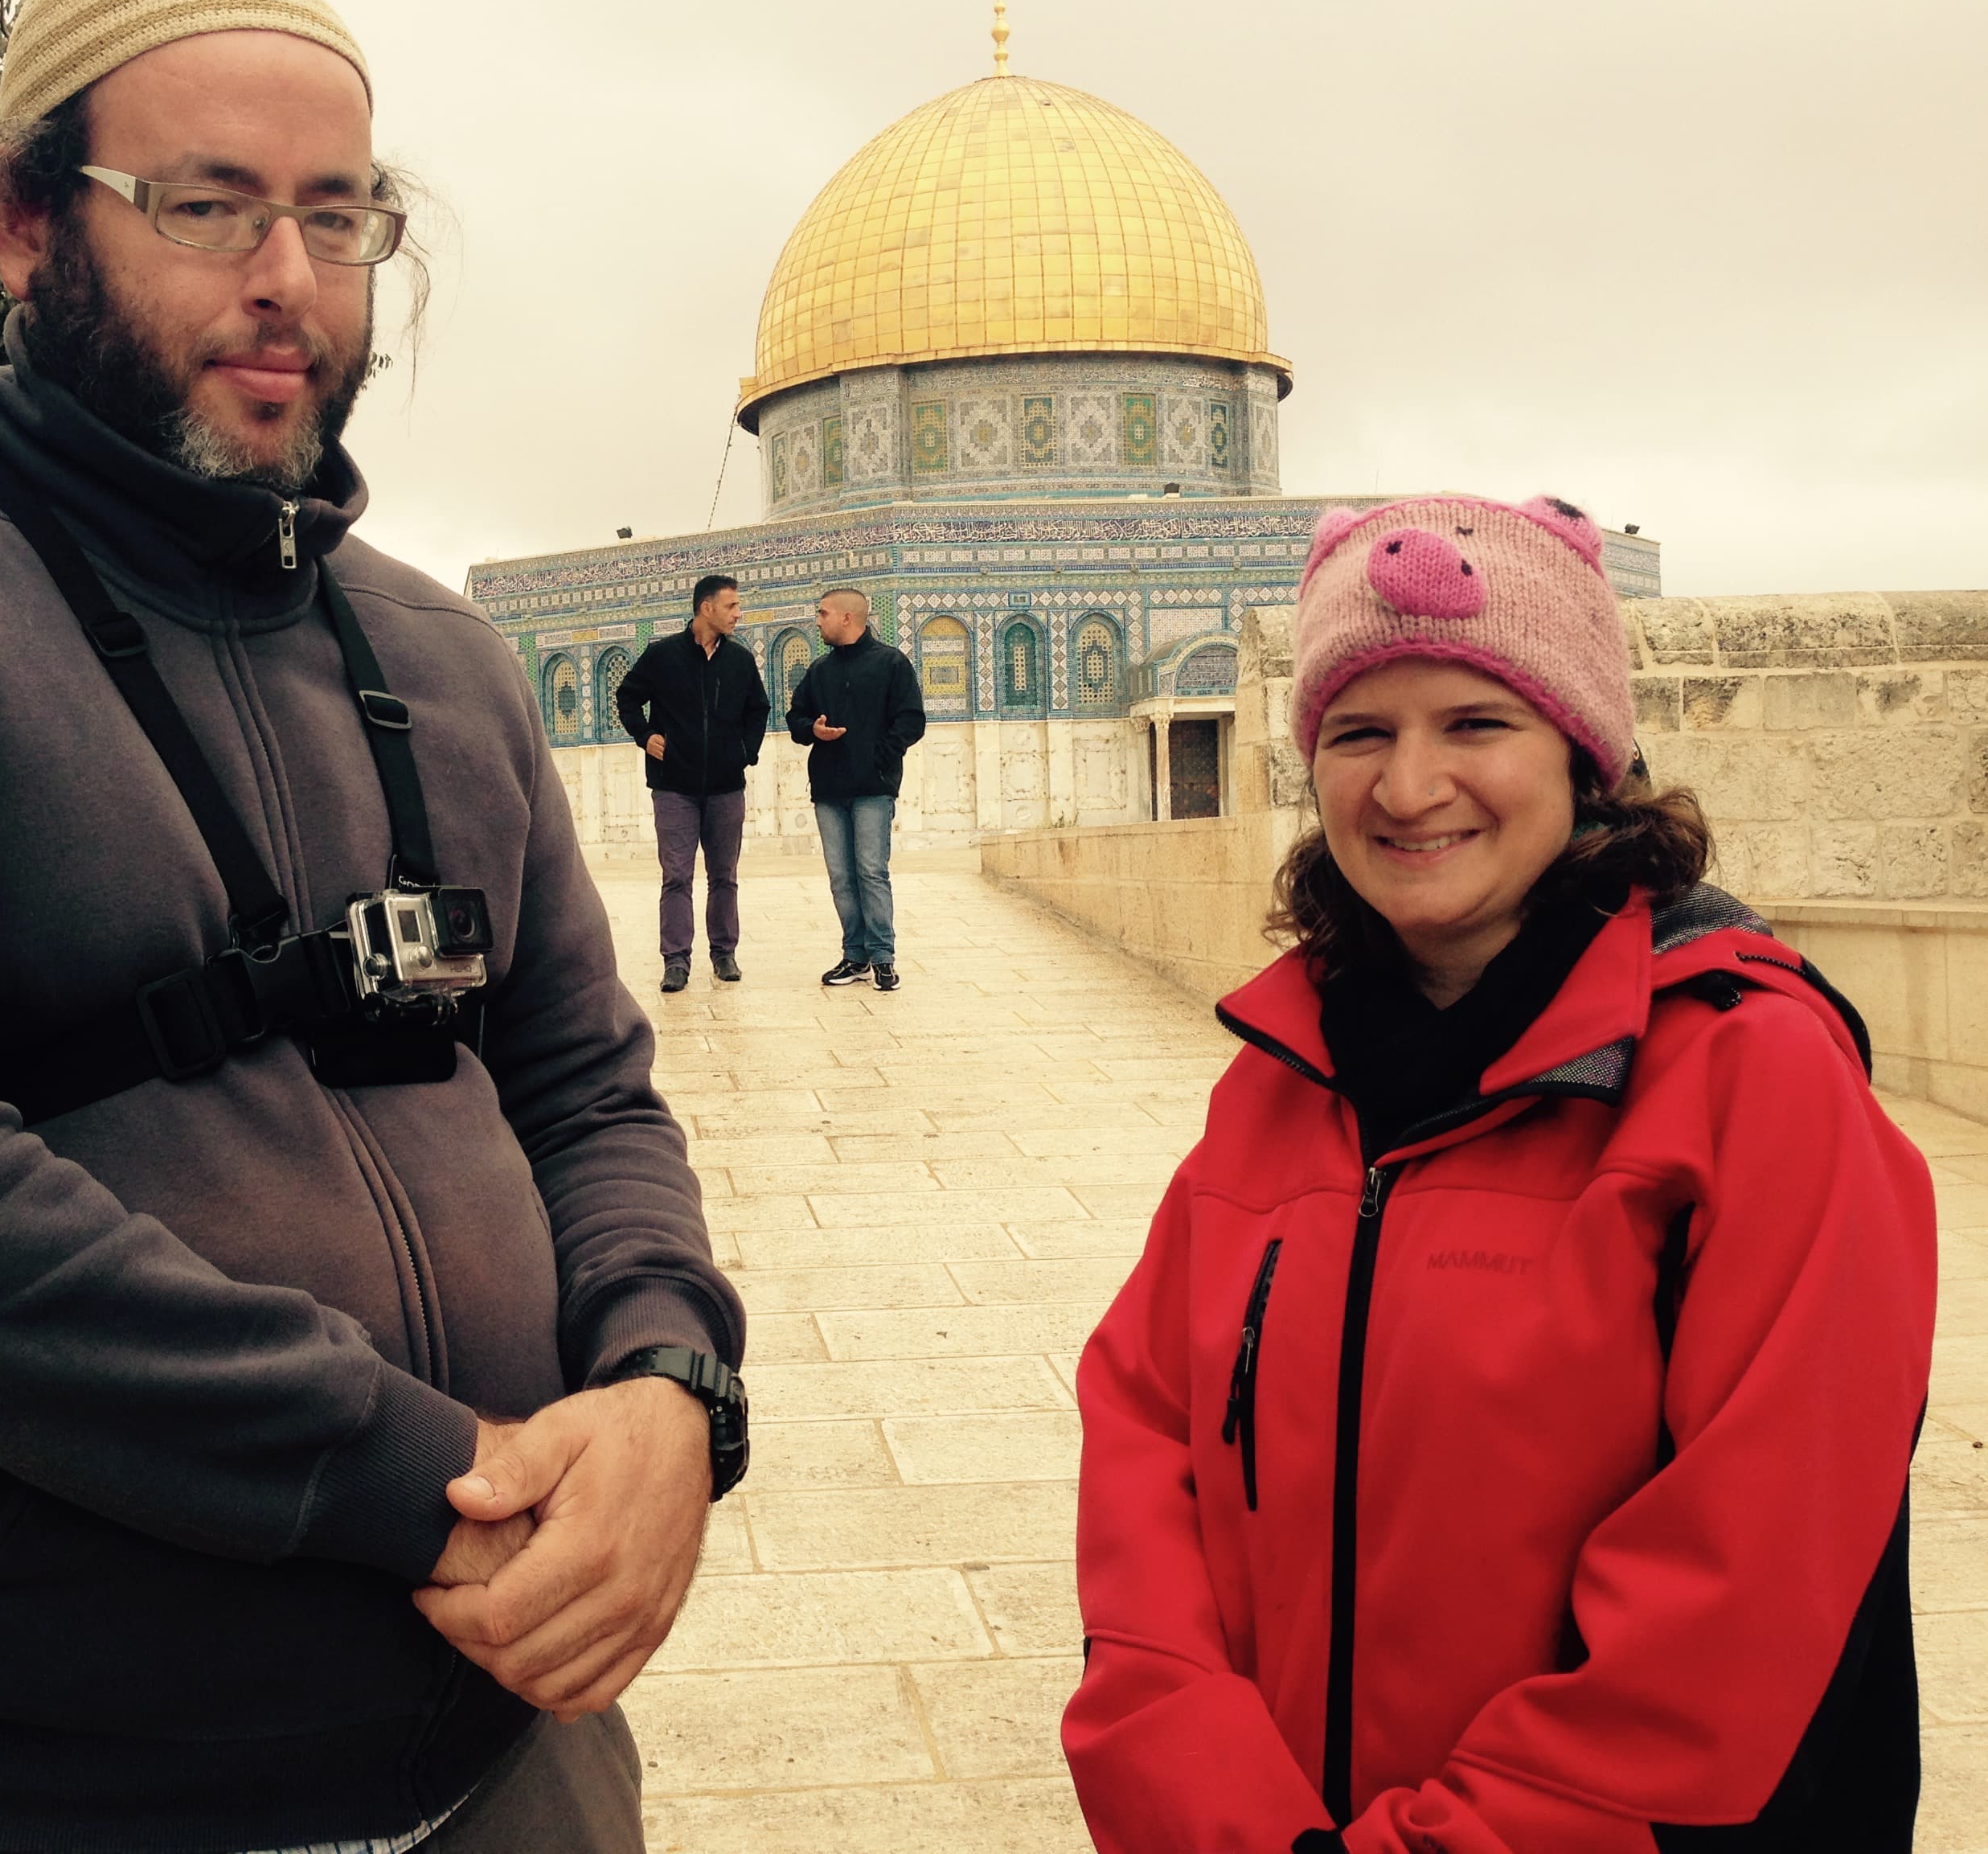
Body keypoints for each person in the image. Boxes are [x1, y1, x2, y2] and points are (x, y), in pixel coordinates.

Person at [0, 0, 748, 1854]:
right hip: (52, 1791)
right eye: (205, 206)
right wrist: (433, 1475)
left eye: (338, 216)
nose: (287, 280)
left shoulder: (437, 655)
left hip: (514, 1766)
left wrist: (669, 1381)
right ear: (29, 222)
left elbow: (587, 1088)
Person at [1061, 494, 1935, 1849]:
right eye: (1358, 732)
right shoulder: (1284, 1077)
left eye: (1473, 724)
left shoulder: (1749, 1082)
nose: (1406, 788)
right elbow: (1144, 1460)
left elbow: (1741, 1597)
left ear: (1582, 753)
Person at [613, 573, 769, 993]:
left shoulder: (739, 661)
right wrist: (645, 736)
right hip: (674, 786)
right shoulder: (662, 656)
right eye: (732, 606)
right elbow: (626, 696)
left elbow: (759, 709)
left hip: (725, 787)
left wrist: (745, 752)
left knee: (724, 875)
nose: (739, 614)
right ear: (706, 608)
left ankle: (724, 954)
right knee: (677, 876)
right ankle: (676, 960)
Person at [787, 587, 924, 991]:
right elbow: (795, 716)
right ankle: (855, 955)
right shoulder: (819, 671)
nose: (817, 621)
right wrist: (811, 729)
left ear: (847, 618)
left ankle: (883, 956)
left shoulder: (890, 664)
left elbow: (911, 720)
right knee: (841, 876)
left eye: (823, 613)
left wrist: (878, 756)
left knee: (870, 871)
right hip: (829, 789)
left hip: (872, 788)